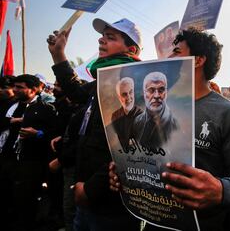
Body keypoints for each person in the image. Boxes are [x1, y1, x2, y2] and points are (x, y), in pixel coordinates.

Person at [110, 27, 230, 230]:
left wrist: (222, 190)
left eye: (176, 52)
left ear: (198, 60)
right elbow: (143, 157)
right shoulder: (147, 110)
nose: (168, 57)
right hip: (154, 222)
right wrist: (125, 170)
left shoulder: (228, 112)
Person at [47, 17, 143, 231]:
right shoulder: (102, 80)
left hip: (111, 205)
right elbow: (76, 92)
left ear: (131, 49)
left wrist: (90, 189)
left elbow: (126, 151)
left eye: (110, 37)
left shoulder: (132, 86)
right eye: (102, 36)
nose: (101, 41)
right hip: (86, 197)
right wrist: (58, 54)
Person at [0, 74, 58, 230]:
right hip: (6, 159)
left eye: (20, 87)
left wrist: (38, 134)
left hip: (30, 163)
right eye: (14, 86)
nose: (15, 90)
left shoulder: (46, 109)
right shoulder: (9, 105)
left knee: (25, 201)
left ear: (33, 90)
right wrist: (11, 121)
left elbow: (55, 134)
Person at [135, 72, 178, 149]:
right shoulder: (137, 122)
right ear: (144, 93)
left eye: (161, 90)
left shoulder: (176, 125)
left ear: (166, 92)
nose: (156, 95)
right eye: (151, 90)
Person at [111, 77, 143, 153]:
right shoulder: (115, 116)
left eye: (131, 92)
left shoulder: (142, 116)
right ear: (119, 98)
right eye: (124, 94)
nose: (129, 97)